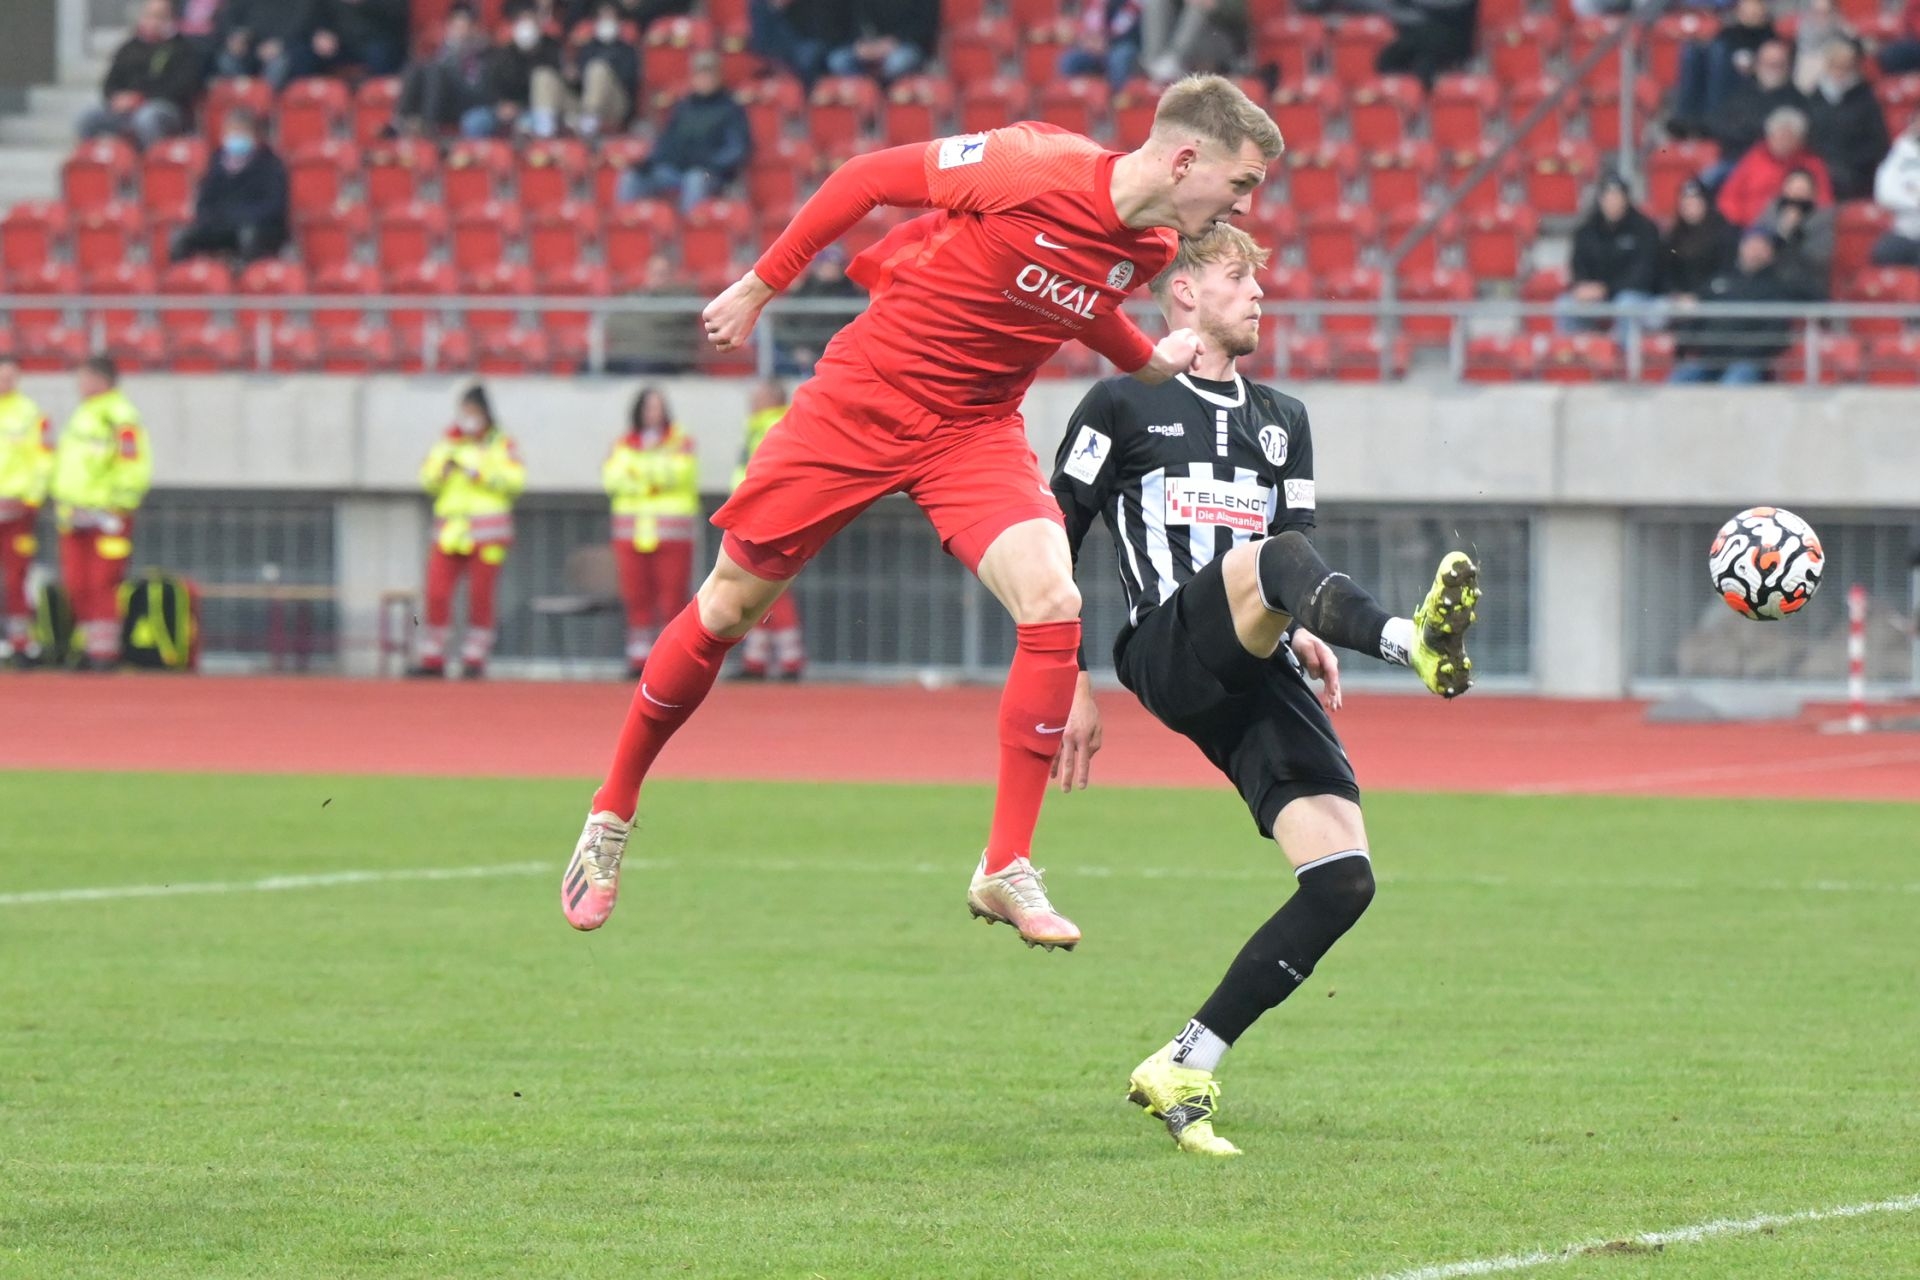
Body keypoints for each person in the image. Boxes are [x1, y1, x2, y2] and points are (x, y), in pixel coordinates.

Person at [560, 76, 1283, 945]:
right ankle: (609, 815)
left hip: (973, 431)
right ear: (1184, 158)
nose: (1247, 202)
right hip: (863, 400)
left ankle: (1005, 867)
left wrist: (1147, 362)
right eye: (1242, 183)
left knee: (1054, 600)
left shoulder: (1156, 244)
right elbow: (866, 177)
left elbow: (1080, 307)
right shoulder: (1031, 161)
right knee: (725, 608)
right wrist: (761, 285)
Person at [1045, 224, 1477, 1156]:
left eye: (1260, 282)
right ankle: (1411, 642)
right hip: (1164, 649)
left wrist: (1311, 632)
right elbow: (1052, 540)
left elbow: (1299, 562)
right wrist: (1065, 674)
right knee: (1270, 557)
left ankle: (1184, 1061)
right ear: (1184, 292)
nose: (1258, 296)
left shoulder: (1282, 417)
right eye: (1239, 278)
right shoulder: (1120, 402)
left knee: (1343, 880)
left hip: (1254, 656)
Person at [412, 386, 526, 678]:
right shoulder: (447, 443)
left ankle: (474, 658)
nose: (468, 418)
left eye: (473, 412)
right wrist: (444, 472)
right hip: (450, 532)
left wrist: (480, 474)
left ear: (485, 413)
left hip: (489, 534)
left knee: (481, 595)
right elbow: (427, 478)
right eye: (464, 412)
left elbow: (515, 481)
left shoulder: (502, 444)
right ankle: (433, 656)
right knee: (437, 593)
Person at [51, 356, 152, 671]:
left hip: (107, 517)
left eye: (84, 378)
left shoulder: (120, 417)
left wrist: (117, 506)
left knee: (103, 581)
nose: (79, 385)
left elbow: (132, 465)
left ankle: (104, 652)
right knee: (77, 582)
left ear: (101, 380)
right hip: (75, 514)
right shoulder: (83, 414)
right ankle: (85, 646)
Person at [604, 386, 699, 680]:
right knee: (636, 597)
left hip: (672, 533)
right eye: (647, 407)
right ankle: (639, 659)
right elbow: (612, 479)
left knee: (672, 599)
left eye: (657, 407)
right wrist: (654, 479)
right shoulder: (623, 443)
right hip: (631, 534)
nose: (652, 413)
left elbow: (680, 474)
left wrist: (639, 476)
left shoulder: (680, 441)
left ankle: (671, 663)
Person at [732, 381, 805, 680]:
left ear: (773, 397)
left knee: (772, 590)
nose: (752, 398)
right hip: (758, 515)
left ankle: (788, 659)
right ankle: (759, 658)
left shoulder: (771, 424)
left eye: (759, 393)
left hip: (766, 515)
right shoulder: (762, 425)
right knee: (759, 591)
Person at [617, 51, 751, 211]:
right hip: (675, 169)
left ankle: (690, 231)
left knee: (694, 179)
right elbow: (666, 141)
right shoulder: (684, 107)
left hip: (709, 173)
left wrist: (711, 163)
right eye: (700, 74)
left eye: (709, 74)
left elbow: (737, 148)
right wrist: (649, 162)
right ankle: (626, 223)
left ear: (718, 76)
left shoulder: (730, 109)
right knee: (632, 178)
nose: (704, 79)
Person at [1669, 230, 1806, 384]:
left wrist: (1748, 353)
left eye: (1762, 246)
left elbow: (1777, 331)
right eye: (1752, 244)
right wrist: (1686, 343)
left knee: (1735, 381)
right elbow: (1696, 316)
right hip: (1709, 358)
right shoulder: (1719, 280)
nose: (1755, 250)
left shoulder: (1777, 287)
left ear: (1771, 253)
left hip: (1747, 363)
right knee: (1681, 378)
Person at [79, 0, 204, 148]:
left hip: (166, 108)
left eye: (159, 17)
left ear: (170, 19)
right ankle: (95, 166)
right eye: (149, 16)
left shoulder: (183, 49)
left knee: (146, 118)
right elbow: (110, 83)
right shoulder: (128, 48)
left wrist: (141, 98)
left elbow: (182, 87)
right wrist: (117, 99)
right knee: (87, 119)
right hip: (126, 109)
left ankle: (153, 165)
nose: (153, 22)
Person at [170, 108, 288, 264]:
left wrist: (238, 217)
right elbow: (204, 200)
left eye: (241, 132)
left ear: (256, 135)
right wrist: (212, 219)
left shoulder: (270, 165)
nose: (235, 137)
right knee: (180, 237)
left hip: (256, 226)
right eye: (232, 132)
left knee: (248, 236)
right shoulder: (217, 161)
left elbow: (273, 206)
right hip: (222, 224)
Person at [0, 358, 54, 665]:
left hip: (16, 511)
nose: (4, 382)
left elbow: (43, 459)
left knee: (16, 577)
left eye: (10, 377)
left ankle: (20, 642)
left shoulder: (31, 414)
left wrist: (31, 497)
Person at [1559, 174, 1661, 334]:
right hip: (1596, 296)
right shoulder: (1587, 229)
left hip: (1635, 295)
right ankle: (1574, 355)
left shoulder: (1644, 229)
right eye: (1608, 196)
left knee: (1625, 305)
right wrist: (1582, 286)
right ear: (1600, 199)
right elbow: (1578, 264)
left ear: (1626, 199)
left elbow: (1643, 273)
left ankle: (1623, 356)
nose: (1612, 201)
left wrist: (1606, 288)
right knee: (1564, 304)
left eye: (1617, 196)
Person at [1803, 38, 1889, 204]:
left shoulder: (1865, 99)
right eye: (1835, 66)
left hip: (1855, 172)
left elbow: (1878, 143)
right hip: (1819, 169)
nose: (1840, 73)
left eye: (1845, 67)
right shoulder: (1814, 99)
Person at [1672, 0, 1777, 136]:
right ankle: (1685, 117)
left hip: (1746, 91)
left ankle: (1713, 118)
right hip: (1723, 85)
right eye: (1747, 6)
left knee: (1719, 53)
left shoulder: (1769, 36)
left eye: (1755, 6)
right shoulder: (1728, 33)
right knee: (1693, 51)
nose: (1751, 11)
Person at [1704, 39, 1804, 181]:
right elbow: (1720, 126)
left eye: (1778, 64)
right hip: (1736, 161)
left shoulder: (1796, 100)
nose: (1773, 68)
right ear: (1757, 64)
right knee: (1706, 181)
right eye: (1768, 63)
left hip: (1779, 166)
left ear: (1788, 67)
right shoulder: (1739, 94)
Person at [1717, 106, 1831, 228]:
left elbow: (1823, 204)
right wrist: (1740, 222)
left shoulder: (1813, 164)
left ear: (1800, 140)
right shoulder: (1754, 157)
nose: (1783, 142)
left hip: (1794, 231)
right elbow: (1728, 197)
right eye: (1778, 136)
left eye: (1789, 137)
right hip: (1745, 228)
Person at [394, 5, 499, 138]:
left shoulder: (484, 51)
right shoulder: (446, 49)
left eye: (463, 27)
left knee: (435, 70)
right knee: (417, 66)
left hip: (473, 98)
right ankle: (402, 118)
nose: (458, 32)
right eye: (455, 27)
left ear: (474, 29)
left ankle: (428, 124)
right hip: (447, 100)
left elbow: (481, 86)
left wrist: (461, 54)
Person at [478, 8, 569, 138]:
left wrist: (520, 107)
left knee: (525, 124)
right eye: (522, 20)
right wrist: (499, 104)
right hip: (502, 106)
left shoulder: (551, 49)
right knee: (475, 121)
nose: (526, 25)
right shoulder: (504, 52)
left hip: (533, 109)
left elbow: (553, 87)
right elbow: (490, 84)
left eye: (530, 20)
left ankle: (542, 140)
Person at [563, 2, 641, 137]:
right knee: (544, 76)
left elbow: (629, 82)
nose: (606, 21)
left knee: (598, 69)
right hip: (586, 99)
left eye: (610, 17)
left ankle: (587, 128)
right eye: (602, 17)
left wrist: (606, 73)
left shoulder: (627, 50)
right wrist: (573, 77)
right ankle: (543, 131)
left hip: (616, 103)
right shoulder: (588, 48)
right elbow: (580, 85)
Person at [822, 0, 938, 85]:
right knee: (837, 61)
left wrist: (894, 42)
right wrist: (860, 44)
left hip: (907, 44)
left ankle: (886, 100)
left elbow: (926, 26)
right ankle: (865, 96)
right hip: (871, 44)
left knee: (895, 63)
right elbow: (858, 19)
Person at [216, 0, 327, 89]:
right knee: (226, 59)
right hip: (251, 44)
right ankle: (243, 99)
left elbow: (304, 26)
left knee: (278, 63)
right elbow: (229, 16)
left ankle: (264, 106)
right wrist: (236, 36)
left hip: (290, 47)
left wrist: (281, 44)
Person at [1659, 178, 1739, 300]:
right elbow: (1667, 271)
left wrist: (1698, 295)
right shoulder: (1675, 235)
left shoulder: (1723, 232)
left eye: (1694, 203)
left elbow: (1725, 274)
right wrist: (1674, 294)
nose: (1689, 208)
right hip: (1677, 300)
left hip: (1712, 299)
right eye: (1685, 203)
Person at [1758, 168, 1833, 298]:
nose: (1796, 195)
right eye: (1793, 189)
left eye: (1802, 190)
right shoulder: (1770, 214)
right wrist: (1781, 234)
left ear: (1812, 194)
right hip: (1767, 279)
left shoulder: (1823, 220)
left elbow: (1820, 257)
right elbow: (1757, 243)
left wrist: (1797, 233)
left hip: (1806, 283)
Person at [1373, 0, 1476, 90]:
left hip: (1453, 37)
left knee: (1425, 61)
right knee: (1387, 58)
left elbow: (1453, 8)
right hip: (1419, 32)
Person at [1062, 0, 1146, 90]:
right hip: (1097, 45)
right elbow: (1088, 27)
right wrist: (1089, 41)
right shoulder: (1099, 3)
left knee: (1120, 57)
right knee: (1071, 59)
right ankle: (1072, 97)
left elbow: (1129, 31)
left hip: (1123, 44)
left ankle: (1117, 96)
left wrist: (1105, 43)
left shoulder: (1135, 3)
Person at [1871, 113, 1920, 267]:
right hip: (1903, 233)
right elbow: (1884, 194)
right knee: (1882, 251)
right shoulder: (1900, 150)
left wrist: (1909, 191)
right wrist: (1915, 200)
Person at [317, 0, 410, 77]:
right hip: (341, 41)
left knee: (379, 54)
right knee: (307, 53)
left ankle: (380, 94)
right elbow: (318, 11)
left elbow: (398, 13)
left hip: (378, 39)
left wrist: (367, 2)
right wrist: (322, 31)